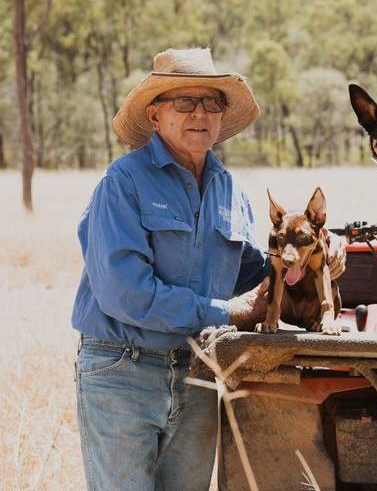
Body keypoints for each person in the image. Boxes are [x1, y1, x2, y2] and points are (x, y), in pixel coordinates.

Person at [72, 47, 346, 489]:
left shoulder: (230, 190)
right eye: (184, 102)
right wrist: (227, 313)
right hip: (123, 372)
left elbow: (258, 273)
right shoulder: (123, 184)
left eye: (211, 103)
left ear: (221, 117)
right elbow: (126, 294)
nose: (200, 113)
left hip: (199, 371)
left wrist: (321, 255)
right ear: (155, 115)